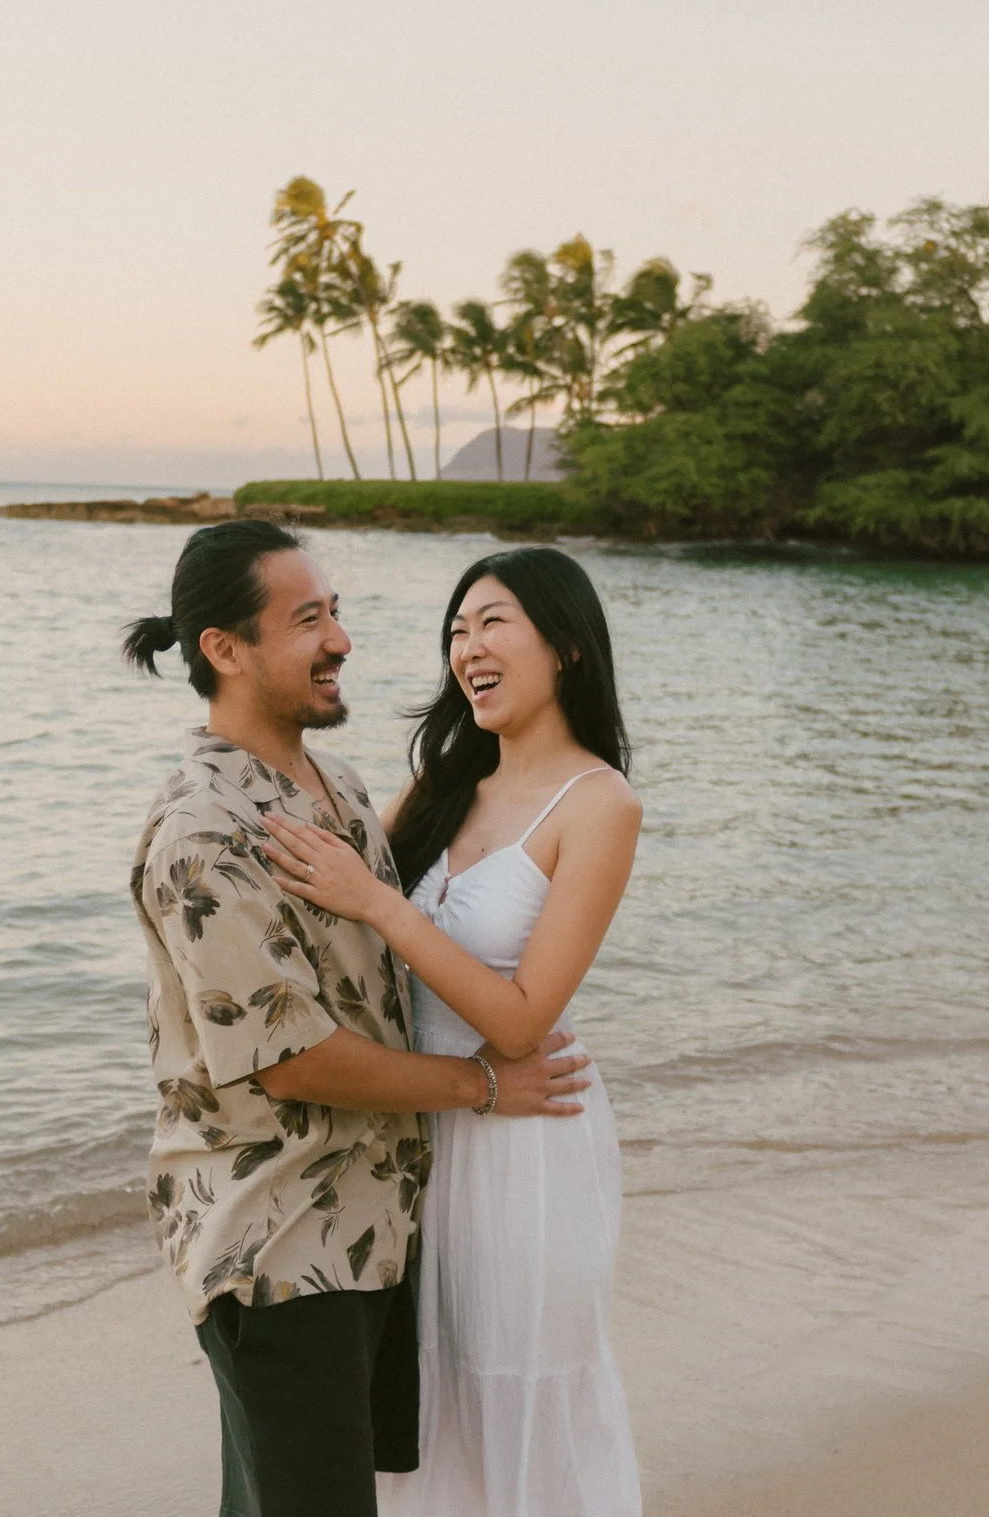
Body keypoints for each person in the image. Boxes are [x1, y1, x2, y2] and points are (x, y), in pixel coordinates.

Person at [123, 519, 595, 1517]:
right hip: (280, 1245)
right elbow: (292, 1060)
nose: (340, 639)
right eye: (309, 620)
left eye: (335, 612)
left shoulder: (337, 789)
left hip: (373, 1226)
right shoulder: (201, 831)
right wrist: (485, 1085)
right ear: (225, 649)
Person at [258, 546, 644, 1517]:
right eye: (457, 631)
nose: (467, 647)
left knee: (522, 1397)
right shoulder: (442, 784)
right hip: (418, 1132)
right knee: (436, 1407)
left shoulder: (599, 802)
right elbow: (336, 915)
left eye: (492, 621)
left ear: (566, 645)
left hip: (526, 1139)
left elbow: (520, 1020)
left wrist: (379, 903)